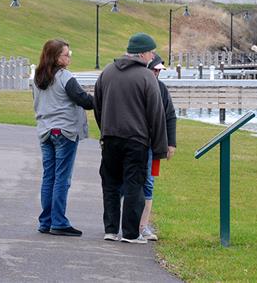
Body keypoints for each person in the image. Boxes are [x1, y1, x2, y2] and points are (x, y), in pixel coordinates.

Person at [94, 33, 168, 244]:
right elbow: (156, 114)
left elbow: (98, 106)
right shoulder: (146, 77)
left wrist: (105, 129)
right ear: (143, 53)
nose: (152, 56)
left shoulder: (107, 72)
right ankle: (130, 233)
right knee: (134, 184)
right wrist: (159, 146)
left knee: (110, 184)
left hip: (110, 138)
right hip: (136, 140)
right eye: (151, 52)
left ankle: (110, 229)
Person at [33, 39, 93, 237]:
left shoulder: (38, 77)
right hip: (64, 131)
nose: (69, 58)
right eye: (65, 55)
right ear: (55, 57)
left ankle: (46, 221)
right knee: (62, 178)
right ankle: (58, 221)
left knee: (48, 176)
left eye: (69, 54)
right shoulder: (65, 76)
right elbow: (84, 101)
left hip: (45, 131)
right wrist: (103, 97)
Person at [140, 54, 177, 241]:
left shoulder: (162, 90)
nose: (156, 73)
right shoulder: (138, 86)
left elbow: (170, 115)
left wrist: (171, 143)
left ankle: (143, 226)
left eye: (158, 70)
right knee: (127, 183)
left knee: (149, 182)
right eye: (154, 69)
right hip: (136, 142)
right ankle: (126, 222)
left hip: (153, 145)